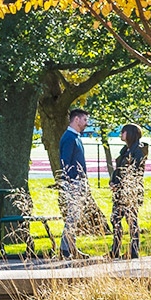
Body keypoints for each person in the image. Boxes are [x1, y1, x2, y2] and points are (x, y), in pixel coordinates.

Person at [109, 123, 149, 260]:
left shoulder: (138, 151)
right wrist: (113, 181)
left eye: (123, 132)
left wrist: (119, 184)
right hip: (121, 190)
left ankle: (133, 250)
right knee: (116, 219)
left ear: (130, 133)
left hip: (129, 191)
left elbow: (132, 172)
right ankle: (115, 249)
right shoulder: (126, 150)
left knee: (131, 220)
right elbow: (119, 169)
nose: (121, 134)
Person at [58, 108, 91, 258]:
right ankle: (65, 249)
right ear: (76, 119)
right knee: (73, 216)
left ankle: (71, 248)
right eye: (85, 120)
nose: (87, 123)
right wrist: (73, 181)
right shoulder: (70, 138)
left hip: (77, 183)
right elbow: (65, 162)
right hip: (73, 184)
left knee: (75, 217)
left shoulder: (75, 137)